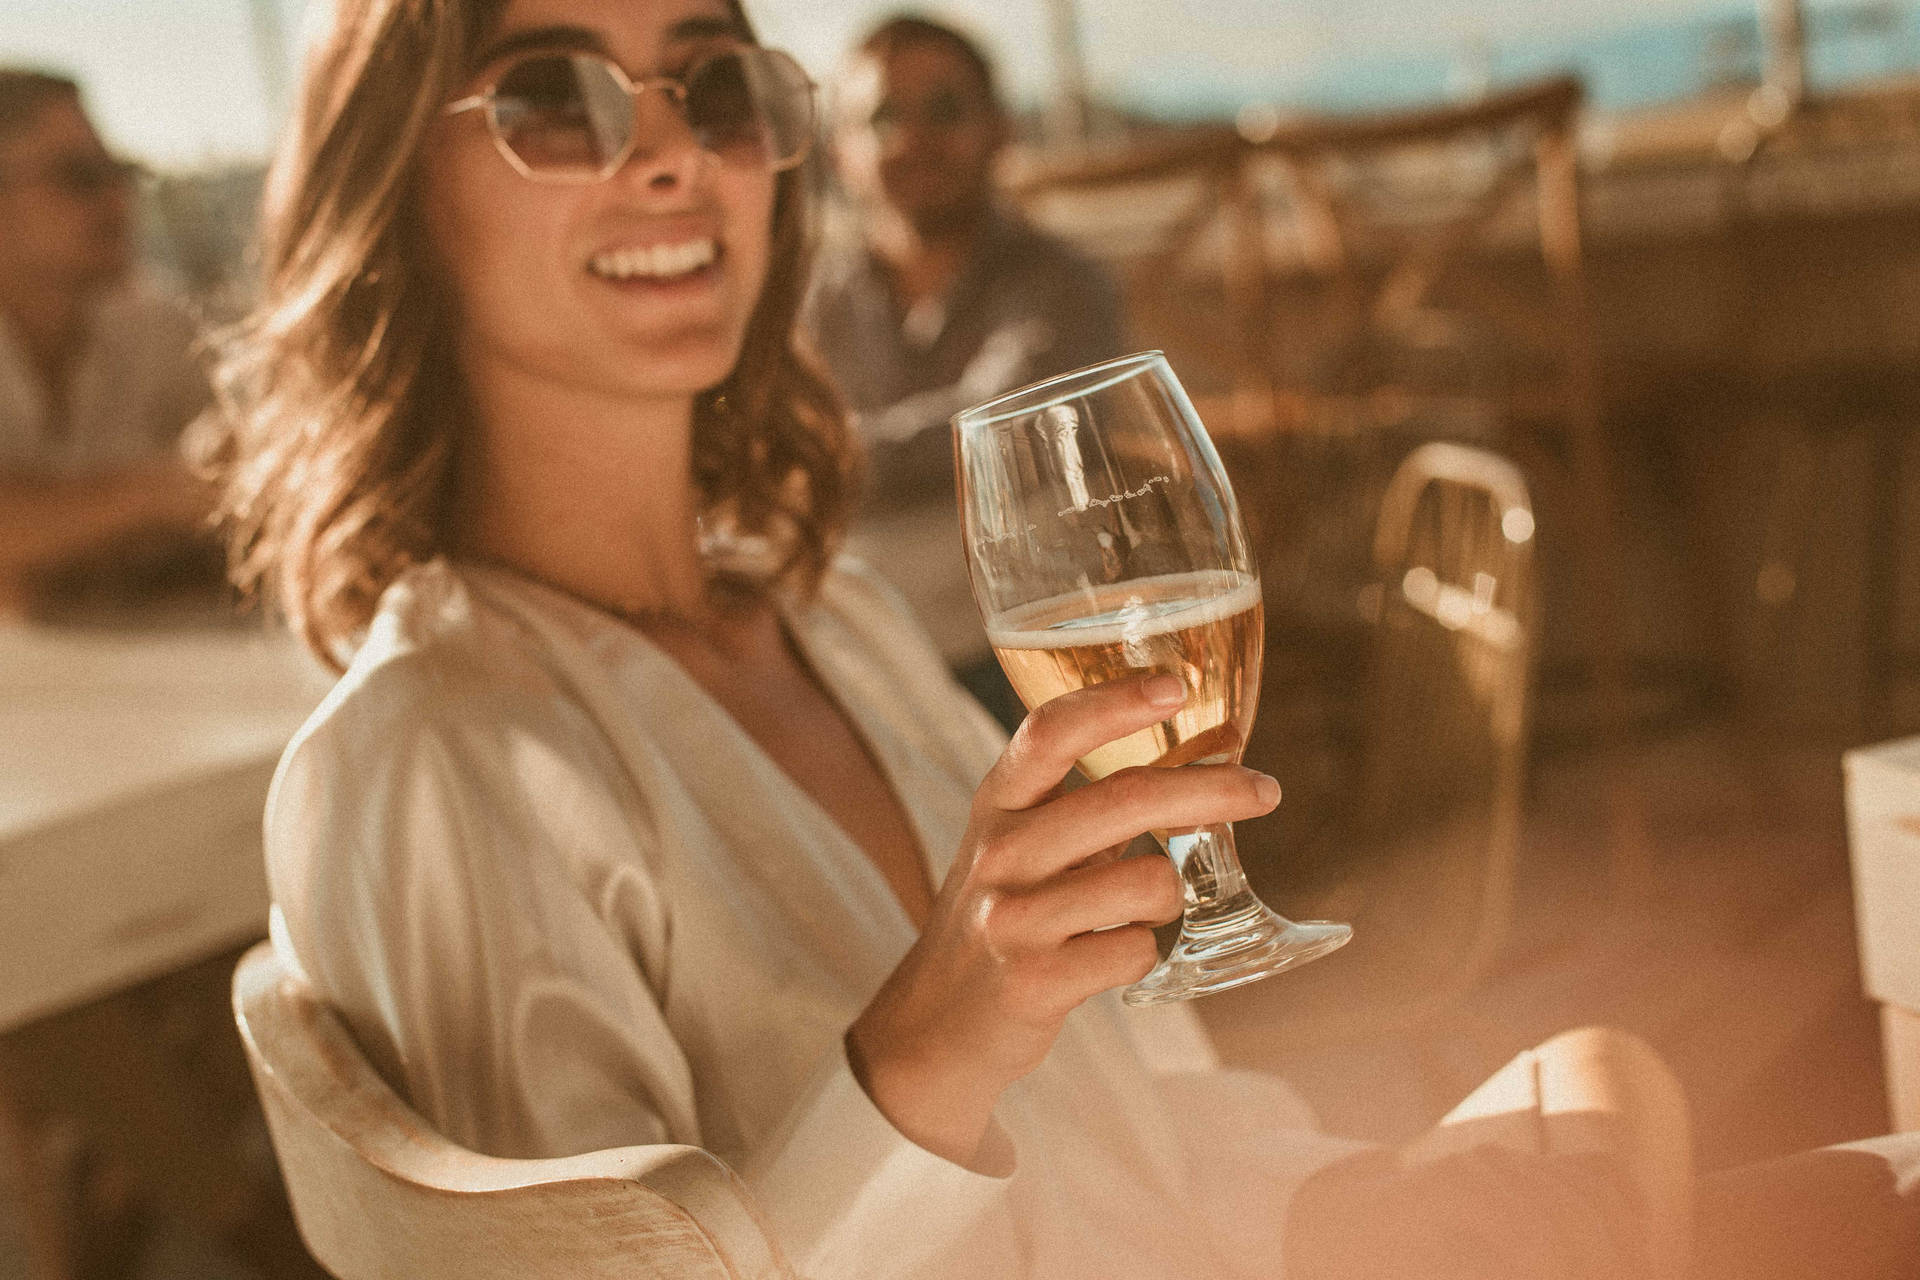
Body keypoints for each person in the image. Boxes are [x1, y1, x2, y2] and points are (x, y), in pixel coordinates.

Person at [212, 1, 1918, 1277]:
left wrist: (1338, 1195)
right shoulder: (427, 758)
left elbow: (1136, 1113)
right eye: (552, 100)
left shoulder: (837, 614)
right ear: (391, 191)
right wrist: (927, 1047)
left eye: (719, 85)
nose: (672, 150)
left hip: (1248, 1237)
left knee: (1713, 1124)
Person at [806, 15, 1126, 726]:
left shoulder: (1063, 284)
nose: (911, 139)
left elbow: (1011, 439)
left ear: (999, 131)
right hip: (851, 663)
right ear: (839, 153)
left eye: (944, 109)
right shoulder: (809, 302)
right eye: (882, 117)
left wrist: (810, 460)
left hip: (1016, 662)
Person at [0, 70, 212, 610]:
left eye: (120, 172)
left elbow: (247, 496)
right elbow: (200, 493)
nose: (118, 197)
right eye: (81, 177)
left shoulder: (159, 330)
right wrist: (159, 494)